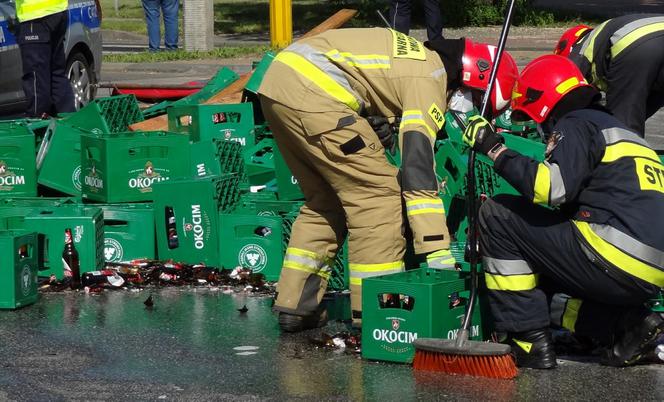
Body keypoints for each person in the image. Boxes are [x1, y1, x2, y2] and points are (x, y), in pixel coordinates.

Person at [257, 27, 518, 332]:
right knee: (378, 197)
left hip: (278, 86)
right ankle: (374, 313)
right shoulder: (431, 79)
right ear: (472, 79)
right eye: (476, 101)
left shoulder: (420, 59)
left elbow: (366, 79)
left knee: (325, 201)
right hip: (316, 94)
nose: (468, 109)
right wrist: (435, 250)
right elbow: (416, 166)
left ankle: (296, 305)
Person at [462, 54, 664, 369]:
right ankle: (627, 326)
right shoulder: (626, 134)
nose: (543, 132)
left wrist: (493, 147)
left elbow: (551, 188)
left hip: (612, 254)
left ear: (543, 103)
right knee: (545, 287)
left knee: (498, 214)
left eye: (539, 121)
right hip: (649, 274)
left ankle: (527, 339)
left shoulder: (577, 122)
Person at [554, 15, 664, 137]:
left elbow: (566, 88)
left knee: (623, 123)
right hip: (654, 37)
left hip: (638, 45)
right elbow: (643, 106)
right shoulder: (607, 32)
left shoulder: (580, 47)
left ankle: (627, 154)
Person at [15, 0, 75, 117]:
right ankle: (69, 121)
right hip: (58, 10)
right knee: (56, 74)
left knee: (36, 78)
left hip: (36, 16)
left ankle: (38, 124)